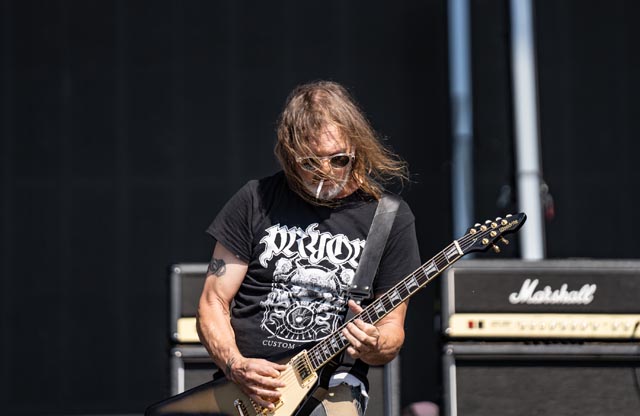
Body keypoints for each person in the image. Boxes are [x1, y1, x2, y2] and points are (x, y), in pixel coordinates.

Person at [196, 80, 421, 416]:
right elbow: (213, 301)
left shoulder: (389, 217)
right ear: (290, 155)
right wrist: (235, 364)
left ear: (357, 147)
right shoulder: (255, 200)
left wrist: (374, 343)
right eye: (311, 163)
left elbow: (392, 330)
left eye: (339, 159)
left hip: (334, 383)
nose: (326, 173)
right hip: (247, 387)